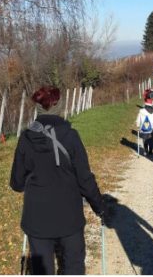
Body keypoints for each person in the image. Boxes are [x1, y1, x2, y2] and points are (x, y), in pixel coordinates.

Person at [10, 86, 108, 274]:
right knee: (74, 267)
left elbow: (16, 183)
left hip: (37, 219)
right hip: (69, 218)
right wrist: (99, 206)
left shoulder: (26, 138)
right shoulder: (71, 136)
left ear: (37, 109)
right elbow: (85, 179)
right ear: (59, 107)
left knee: (42, 271)